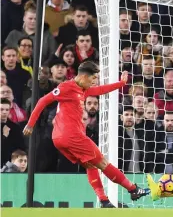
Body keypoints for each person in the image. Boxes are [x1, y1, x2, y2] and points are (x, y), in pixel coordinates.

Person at [23, 61, 149, 208]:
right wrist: (30, 124)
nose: (95, 82)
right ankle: (133, 189)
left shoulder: (82, 89)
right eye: (93, 78)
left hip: (59, 137)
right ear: (83, 76)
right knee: (103, 163)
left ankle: (104, 201)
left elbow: (100, 90)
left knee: (90, 164)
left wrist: (121, 84)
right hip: (72, 136)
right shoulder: (66, 87)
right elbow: (42, 101)